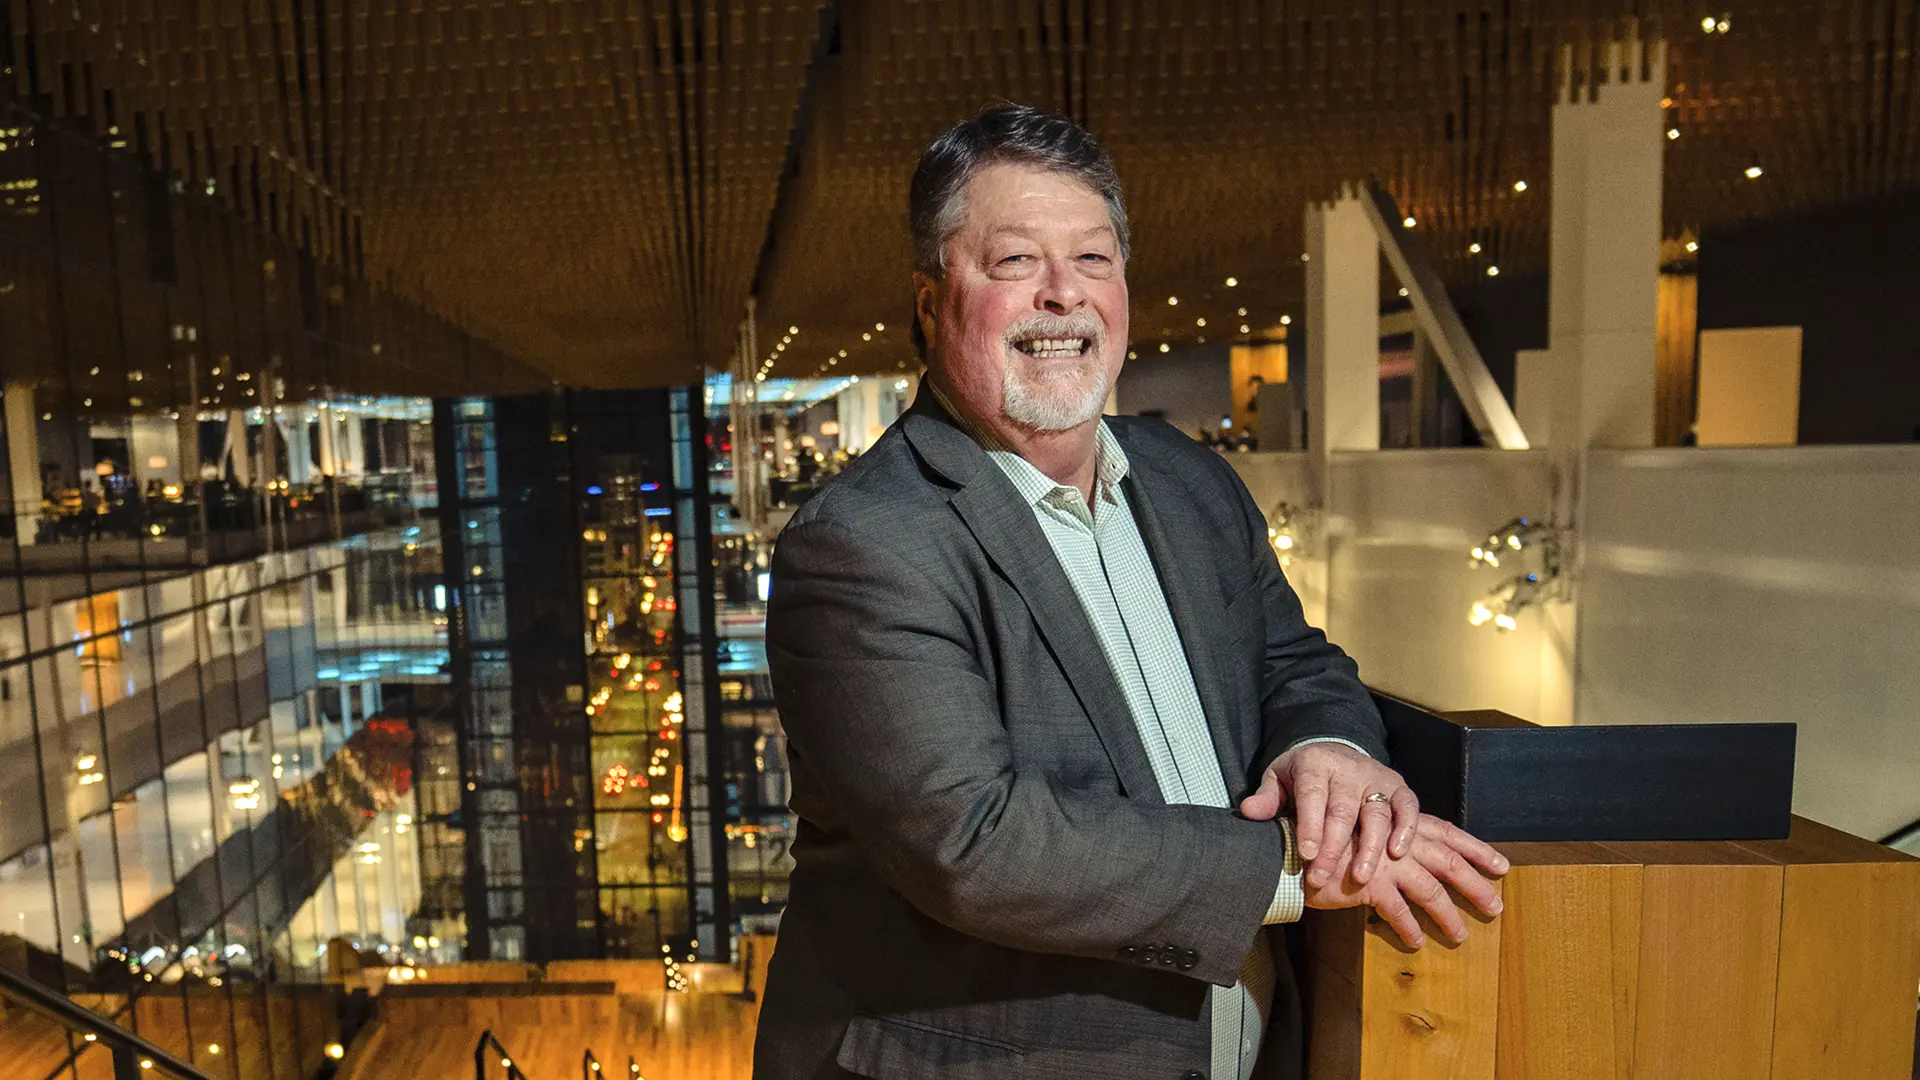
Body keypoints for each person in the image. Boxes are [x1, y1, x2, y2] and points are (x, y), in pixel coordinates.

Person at [756, 104, 1506, 1080]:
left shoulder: (1186, 478)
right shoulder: (864, 543)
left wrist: (1327, 748)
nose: (1063, 294)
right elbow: (976, 844)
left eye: (1093, 259)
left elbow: (1291, 659)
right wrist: (1302, 865)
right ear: (932, 302)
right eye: (1015, 261)